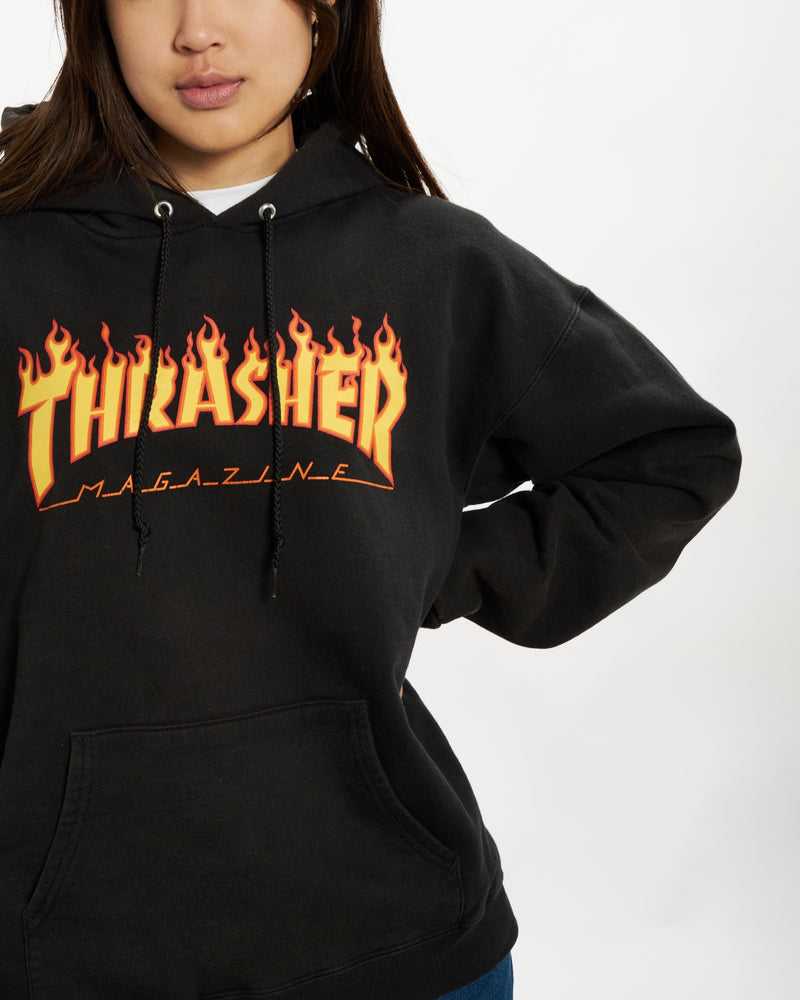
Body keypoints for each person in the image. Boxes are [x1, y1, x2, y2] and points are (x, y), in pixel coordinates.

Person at [0, 1, 741, 998]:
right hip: (63, 944)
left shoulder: (430, 262)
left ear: (325, 10)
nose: (197, 30)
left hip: (399, 936)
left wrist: (439, 564)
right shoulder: (18, 262)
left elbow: (667, 454)